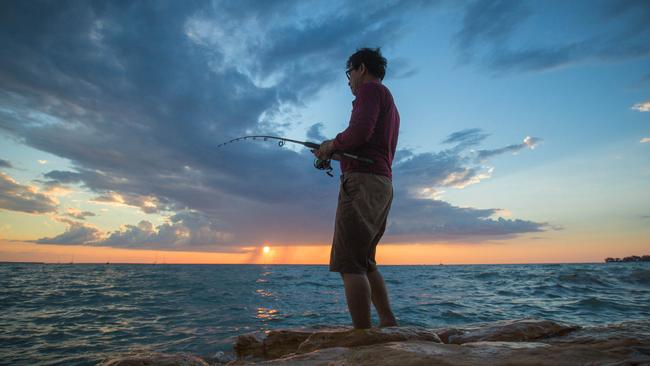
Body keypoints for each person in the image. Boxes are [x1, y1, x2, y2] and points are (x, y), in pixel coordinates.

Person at [314, 48, 400, 329]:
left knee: (350, 264)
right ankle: (388, 324)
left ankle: (362, 338)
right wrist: (334, 153)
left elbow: (359, 132)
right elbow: (368, 146)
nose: (348, 80)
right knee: (366, 261)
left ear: (360, 68)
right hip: (381, 183)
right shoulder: (388, 101)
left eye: (349, 73)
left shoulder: (371, 91)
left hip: (362, 184)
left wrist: (332, 144)